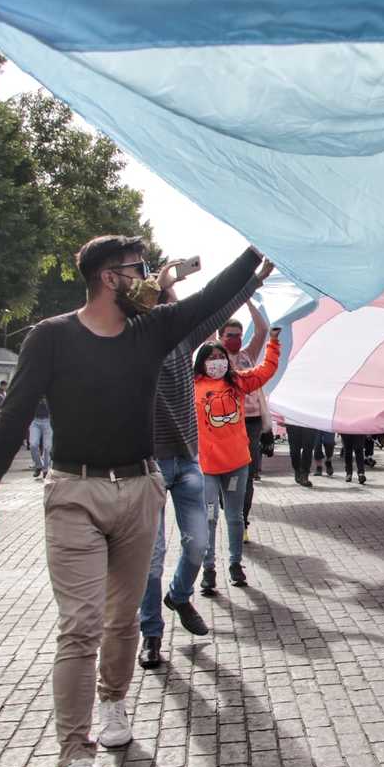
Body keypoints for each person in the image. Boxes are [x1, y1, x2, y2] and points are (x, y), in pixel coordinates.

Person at [0, 235, 268, 767]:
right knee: (80, 626)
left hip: (139, 490)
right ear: (110, 277)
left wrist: (256, 251)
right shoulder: (51, 336)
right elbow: (16, 413)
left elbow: (213, 299)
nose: (146, 277)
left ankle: (113, 702)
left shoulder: (150, 331)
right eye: (138, 268)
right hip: (74, 493)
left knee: (122, 620)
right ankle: (75, 756)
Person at [138, 259, 264, 671]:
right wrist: (157, 285)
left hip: (187, 463)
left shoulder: (186, 336)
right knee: (152, 555)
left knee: (197, 543)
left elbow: (218, 301)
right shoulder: (131, 341)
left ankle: (179, 595)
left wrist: (256, 276)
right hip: (149, 466)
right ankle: (151, 634)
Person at [195, 332, 281, 593]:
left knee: (235, 517)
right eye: (211, 358)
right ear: (202, 362)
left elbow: (265, 371)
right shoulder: (191, 386)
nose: (217, 362)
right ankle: (208, 569)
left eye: (221, 357)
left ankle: (235, 564)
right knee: (209, 518)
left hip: (236, 464)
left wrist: (273, 343)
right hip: (206, 467)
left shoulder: (237, 382)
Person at [217, 304, 270, 538]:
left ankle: (243, 522)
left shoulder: (248, 355)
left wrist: (248, 300)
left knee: (247, 475)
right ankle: (227, 504)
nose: (236, 339)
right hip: (225, 423)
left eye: (239, 335)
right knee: (226, 473)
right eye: (231, 335)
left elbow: (262, 329)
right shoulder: (215, 357)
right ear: (220, 337)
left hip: (251, 423)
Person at [28, 396, 53, 479]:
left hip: (48, 421)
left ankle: (46, 469)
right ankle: (38, 465)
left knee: (47, 447)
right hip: (35, 421)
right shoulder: (33, 393)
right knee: (33, 444)